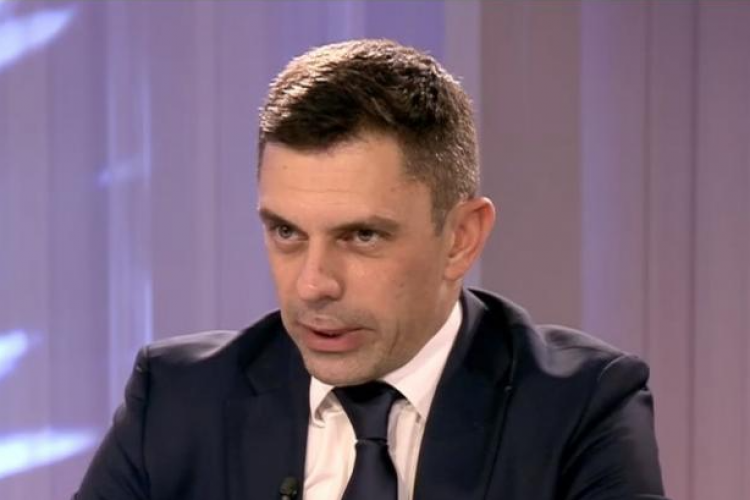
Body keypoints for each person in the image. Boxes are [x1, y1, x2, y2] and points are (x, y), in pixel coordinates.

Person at [74, 39, 668, 500]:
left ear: (461, 239)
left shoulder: (579, 407)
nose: (313, 285)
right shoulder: (177, 401)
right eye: (286, 232)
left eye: (362, 236)